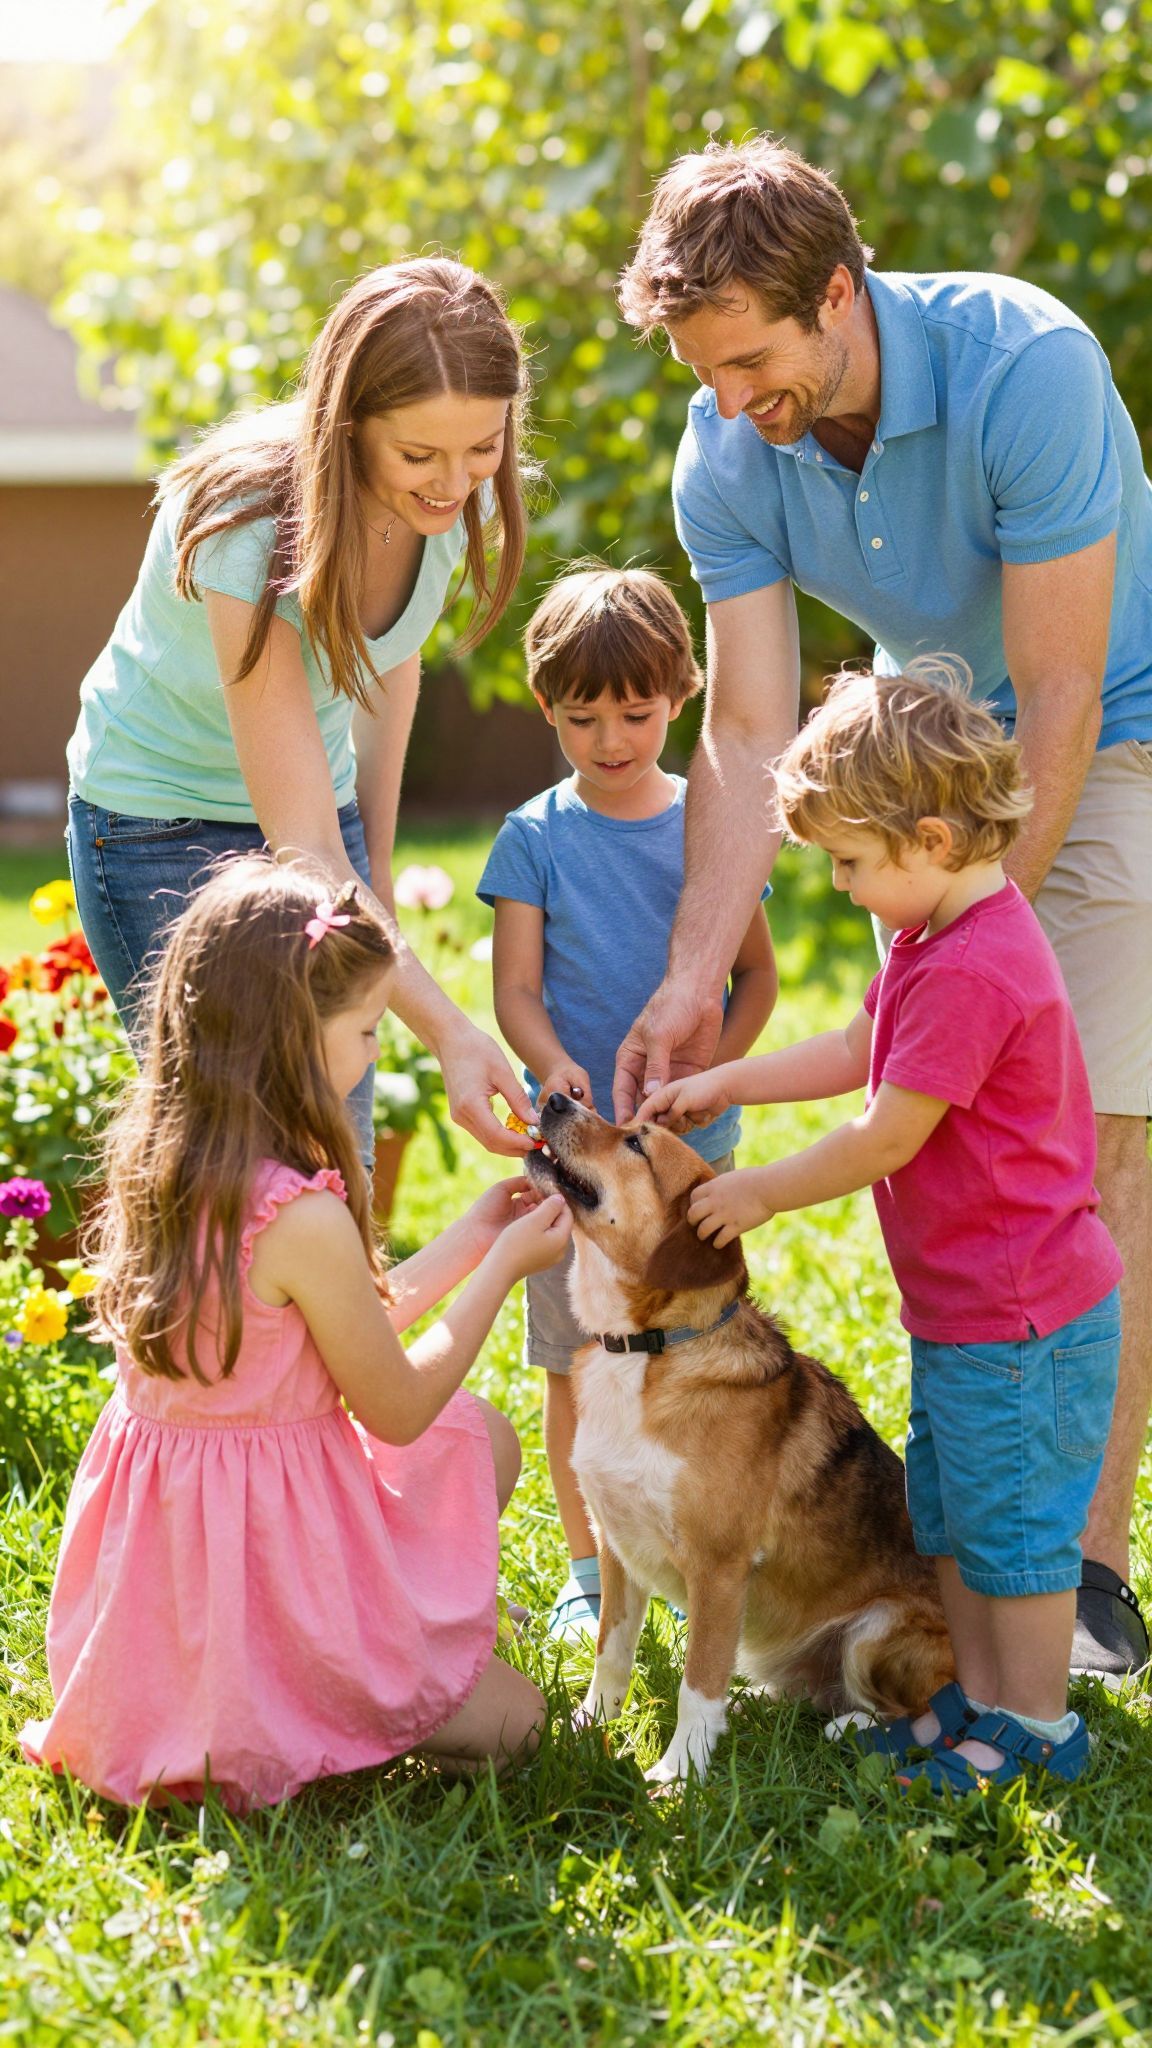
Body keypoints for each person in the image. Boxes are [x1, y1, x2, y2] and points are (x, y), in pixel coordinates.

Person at [613, 136, 1152, 1681]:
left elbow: (1060, 687)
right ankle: (974, 1551)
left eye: (751, 364)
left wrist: (980, 945)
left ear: (839, 293)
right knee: (947, 1134)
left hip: (1111, 728)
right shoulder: (726, 449)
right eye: (703, 375)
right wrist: (696, 975)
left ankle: (1088, 1574)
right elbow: (746, 725)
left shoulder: (1025, 368)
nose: (730, 405)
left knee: (1090, 1131)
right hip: (919, 774)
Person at [645, 664, 1122, 1789]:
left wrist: (760, 1190)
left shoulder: (978, 966)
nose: (843, 886)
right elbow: (859, 1049)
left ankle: (1036, 1725)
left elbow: (884, 1136)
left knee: (1016, 1536)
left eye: (852, 863)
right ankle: (974, 1702)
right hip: (965, 1314)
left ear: (933, 839)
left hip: (1025, 1322)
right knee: (953, 1520)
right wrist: (732, 1081)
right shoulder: (930, 940)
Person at [20, 857, 572, 1810]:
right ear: (294, 1043)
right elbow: (396, 1407)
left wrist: (473, 1235)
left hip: (176, 1562)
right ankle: (332, 1681)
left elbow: (329, 1330)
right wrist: (501, 1272)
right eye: (365, 1030)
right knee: (521, 1727)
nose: (374, 1050)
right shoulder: (301, 1217)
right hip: (274, 1571)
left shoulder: (173, 1167)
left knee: (483, 1439)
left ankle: (396, 1643)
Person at [66, 256, 539, 1165]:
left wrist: (378, 879)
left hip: (316, 809)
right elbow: (306, 849)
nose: (454, 482)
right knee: (230, 1156)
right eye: (419, 455)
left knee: (333, 1143)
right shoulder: (249, 520)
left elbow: (387, 669)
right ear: (347, 424)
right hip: (157, 823)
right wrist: (452, 1034)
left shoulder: (447, 502)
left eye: (483, 447)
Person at [476, 567, 776, 1638]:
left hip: (691, 1155)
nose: (610, 739)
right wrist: (551, 1059)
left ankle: (690, 1542)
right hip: (580, 1164)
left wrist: (712, 1075)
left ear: (683, 695)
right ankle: (588, 1570)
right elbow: (515, 989)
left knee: (697, 1355)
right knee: (576, 1359)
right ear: (546, 706)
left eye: (637, 713)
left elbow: (758, 978)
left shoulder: (712, 824)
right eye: (582, 716)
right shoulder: (534, 837)